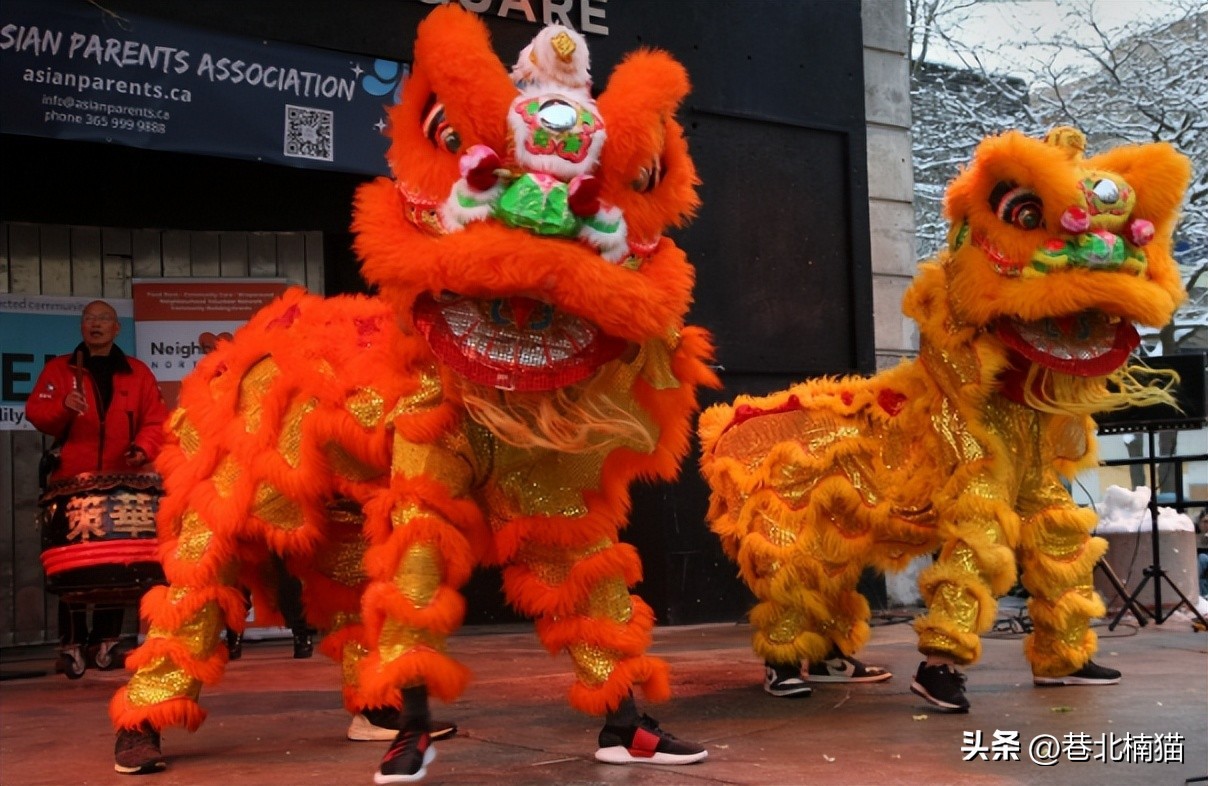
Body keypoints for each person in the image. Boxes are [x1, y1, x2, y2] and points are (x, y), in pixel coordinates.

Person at [26, 300, 168, 674]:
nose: (96, 324)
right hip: (71, 485)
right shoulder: (60, 370)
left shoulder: (137, 372)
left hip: (123, 484)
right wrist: (63, 406)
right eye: (90, 319)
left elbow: (157, 420)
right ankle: (72, 645)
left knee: (117, 562)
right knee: (71, 564)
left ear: (116, 328)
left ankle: (106, 641)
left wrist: (143, 448)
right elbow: (37, 413)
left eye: (104, 319)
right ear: (82, 327)